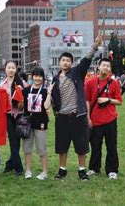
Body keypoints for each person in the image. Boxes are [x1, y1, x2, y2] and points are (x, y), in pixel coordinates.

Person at [49, 35, 102, 181]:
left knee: (82, 146)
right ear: (59, 62)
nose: (65, 62)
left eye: (68, 60)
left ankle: (82, 170)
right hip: (62, 118)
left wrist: (95, 46)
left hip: (78, 116)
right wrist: (56, 112)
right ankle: (62, 170)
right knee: (62, 146)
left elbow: (86, 60)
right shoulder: (55, 79)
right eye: (63, 60)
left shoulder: (77, 72)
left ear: (71, 63)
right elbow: (53, 98)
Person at [85, 58, 122, 180]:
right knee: (95, 146)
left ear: (110, 69)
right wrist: (88, 118)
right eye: (103, 65)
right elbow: (87, 101)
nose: (105, 67)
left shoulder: (114, 83)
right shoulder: (90, 82)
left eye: (108, 66)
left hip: (110, 120)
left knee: (111, 146)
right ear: (98, 67)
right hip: (95, 120)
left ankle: (112, 170)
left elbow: (119, 101)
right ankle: (94, 168)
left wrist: (108, 100)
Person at [22, 67, 50, 180]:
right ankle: (28, 170)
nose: (37, 78)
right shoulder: (26, 90)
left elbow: (47, 106)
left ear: (43, 78)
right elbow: (21, 106)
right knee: (27, 148)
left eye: (40, 76)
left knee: (42, 149)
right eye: (35, 76)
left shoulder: (45, 91)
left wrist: (50, 93)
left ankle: (44, 172)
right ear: (32, 76)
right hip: (27, 124)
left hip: (41, 123)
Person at [0, 61, 25, 176]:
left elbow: (26, 100)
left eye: (13, 68)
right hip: (8, 115)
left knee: (16, 142)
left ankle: (10, 164)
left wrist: (21, 93)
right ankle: (18, 168)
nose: (10, 70)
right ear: (5, 69)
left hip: (19, 114)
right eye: (8, 68)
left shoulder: (21, 83)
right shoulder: (2, 84)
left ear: (16, 69)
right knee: (13, 141)